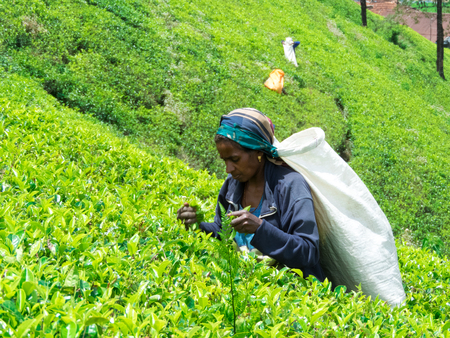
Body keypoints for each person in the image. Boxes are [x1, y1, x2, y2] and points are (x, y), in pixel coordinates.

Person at [177, 108, 325, 281]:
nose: (228, 169)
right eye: (224, 160)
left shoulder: (290, 185)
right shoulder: (232, 184)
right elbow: (223, 230)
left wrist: (260, 228)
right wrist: (197, 224)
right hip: (250, 287)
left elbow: (308, 252)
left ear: (259, 152)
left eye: (234, 159)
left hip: (288, 291)